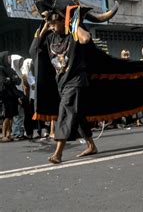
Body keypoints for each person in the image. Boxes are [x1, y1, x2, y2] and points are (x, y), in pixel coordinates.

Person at [34, 11, 98, 164]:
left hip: (76, 81)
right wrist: (45, 26)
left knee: (65, 113)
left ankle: (58, 153)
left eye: (54, 24)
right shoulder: (50, 38)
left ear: (64, 21)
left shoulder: (73, 36)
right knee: (79, 115)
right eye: (50, 25)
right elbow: (35, 49)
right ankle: (91, 145)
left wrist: (73, 23)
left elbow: (86, 39)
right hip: (61, 83)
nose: (52, 27)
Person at [0, 51, 22, 142]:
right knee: (7, 115)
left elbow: (18, 80)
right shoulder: (1, 68)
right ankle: (4, 134)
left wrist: (12, 79)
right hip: (6, 95)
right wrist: (12, 79)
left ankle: (9, 134)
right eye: (7, 57)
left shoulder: (10, 69)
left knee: (12, 114)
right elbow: (4, 81)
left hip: (13, 95)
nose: (9, 59)